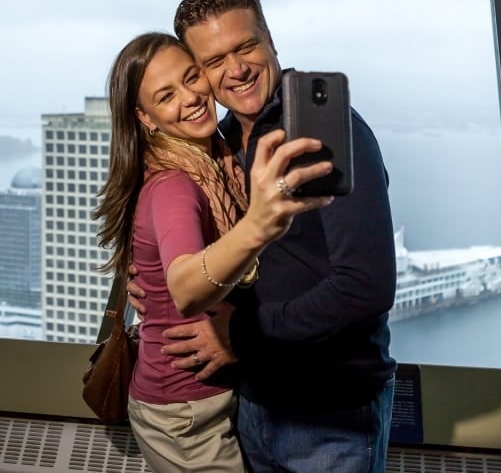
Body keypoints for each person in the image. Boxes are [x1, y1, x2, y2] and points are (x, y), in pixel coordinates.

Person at [134, 0, 398, 472]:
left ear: (270, 39)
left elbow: (366, 287)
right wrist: (159, 286)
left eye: (246, 46)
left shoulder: (324, 132)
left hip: (328, 413)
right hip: (250, 401)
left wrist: (240, 334)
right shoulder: (223, 143)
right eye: (213, 62)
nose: (235, 70)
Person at [95, 31, 333, 473]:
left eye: (191, 78)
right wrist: (260, 224)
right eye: (167, 96)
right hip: (185, 412)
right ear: (144, 117)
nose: (190, 98)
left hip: (218, 395)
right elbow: (185, 286)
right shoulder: (176, 185)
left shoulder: (219, 158)